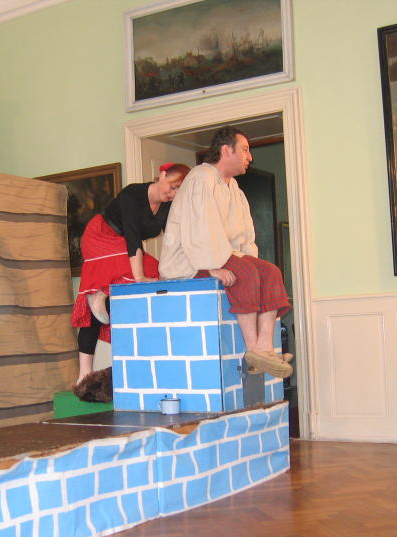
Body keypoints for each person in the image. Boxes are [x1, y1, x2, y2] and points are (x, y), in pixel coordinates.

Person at [158, 127, 293, 379]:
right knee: (246, 273)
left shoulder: (234, 188)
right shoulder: (201, 177)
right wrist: (210, 266)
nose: (250, 157)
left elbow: (244, 235)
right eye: (245, 150)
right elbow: (198, 226)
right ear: (226, 150)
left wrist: (249, 259)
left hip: (222, 254)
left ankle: (265, 347)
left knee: (270, 272)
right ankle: (253, 349)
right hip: (189, 260)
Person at [72, 162, 190, 384]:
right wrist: (139, 278)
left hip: (121, 244)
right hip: (100, 236)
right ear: (162, 175)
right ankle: (100, 293)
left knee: (159, 272)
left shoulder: (167, 206)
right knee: (148, 271)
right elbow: (133, 238)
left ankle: (102, 296)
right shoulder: (133, 195)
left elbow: (175, 238)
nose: (173, 194)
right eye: (172, 187)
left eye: (178, 191)